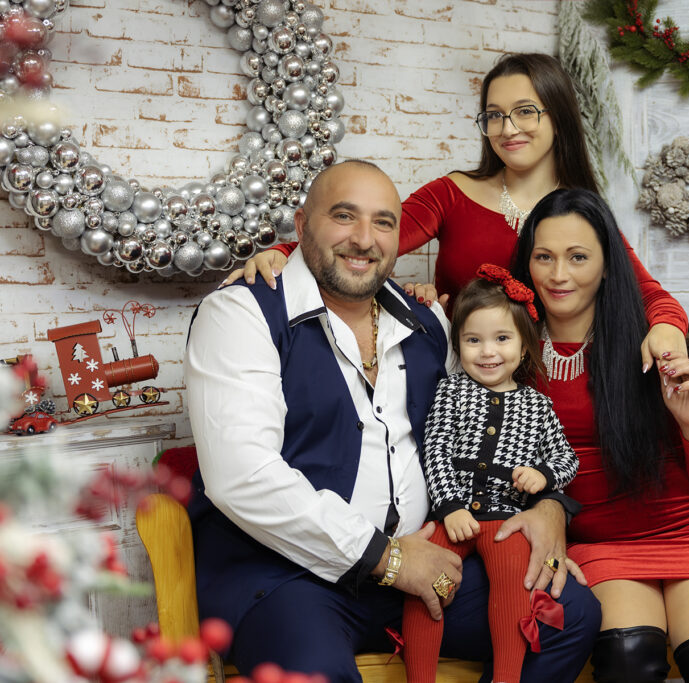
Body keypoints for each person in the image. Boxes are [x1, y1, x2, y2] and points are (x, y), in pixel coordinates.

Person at [184, 160, 601, 682]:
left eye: (383, 222)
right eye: (344, 216)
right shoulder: (241, 314)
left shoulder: (428, 321)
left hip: (426, 564)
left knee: (570, 616)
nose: (364, 239)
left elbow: (482, 433)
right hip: (287, 577)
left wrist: (549, 506)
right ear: (302, 225)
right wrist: (390, 559)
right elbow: (242, 476)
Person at [223, 52, 688, 372]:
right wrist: (286, 251)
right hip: (459, 384)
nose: (508, 129)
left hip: (550, 390)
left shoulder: (581, 213)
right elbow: (368, 238)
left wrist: (668, 329)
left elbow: (649, 294)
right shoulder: (451, 193)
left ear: (558, 117)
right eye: (494, 115)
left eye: (525, 111)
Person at [511, 188, 689, 683]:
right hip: (602, 544)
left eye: (578, 257)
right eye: (544, 257)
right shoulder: (507, 349)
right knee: (627, 657)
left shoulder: (647, 341)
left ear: (608, 265)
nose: (558, 275)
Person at [402, 264, 579, 683]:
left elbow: (567, 458)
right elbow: (436, 449)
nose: (487, 352)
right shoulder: (452, 390)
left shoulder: (537, 406)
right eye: (473, 340)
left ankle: (506, 677)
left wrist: (543, 474)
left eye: (501, 339)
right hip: (455, 515)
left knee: (514, 585)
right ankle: (420, 677)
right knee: (428, 584)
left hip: (505, 519)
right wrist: (449, 506)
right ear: (458, 343)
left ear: (524, 345)